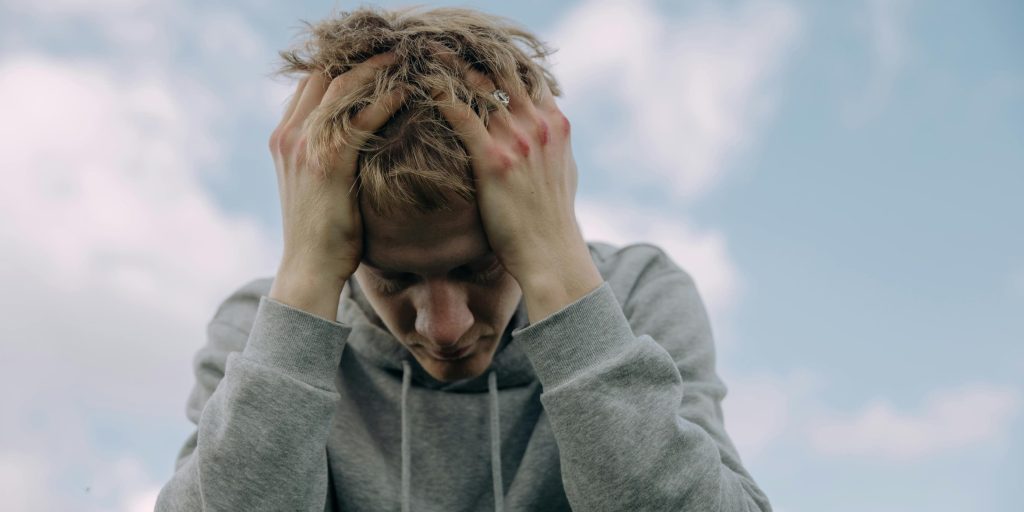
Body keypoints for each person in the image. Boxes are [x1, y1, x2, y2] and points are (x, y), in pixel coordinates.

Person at [155, 6, 772, 512]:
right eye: (393, 278)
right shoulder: (263, 333)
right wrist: (305, 280)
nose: (442, 328)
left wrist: (558, 270)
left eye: (479, 268)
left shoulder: (638, 295)